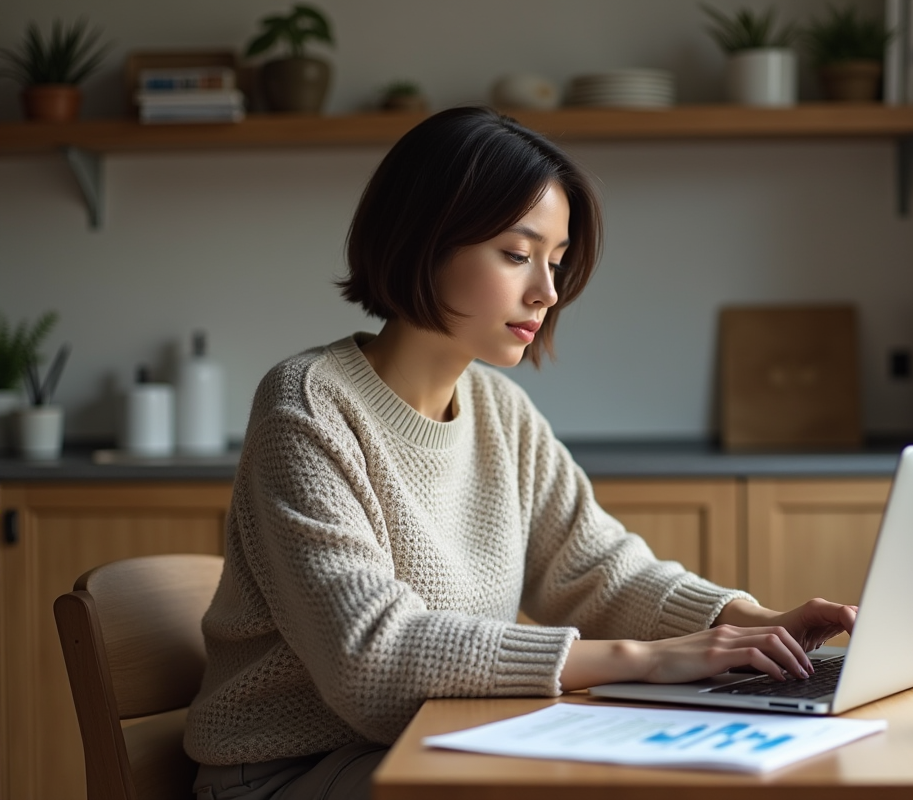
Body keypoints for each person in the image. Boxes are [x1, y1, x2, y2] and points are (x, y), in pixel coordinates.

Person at [185, 106, 857, 800]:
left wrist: (750, 622)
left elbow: (601, 574)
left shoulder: (501, 413)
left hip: (441, 746)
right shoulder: (308, 406)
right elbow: (372, 664)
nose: (547, 291)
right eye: (517, 254)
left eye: (557, 262)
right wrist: (648, 662)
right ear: (425, 238)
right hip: (290, 776)